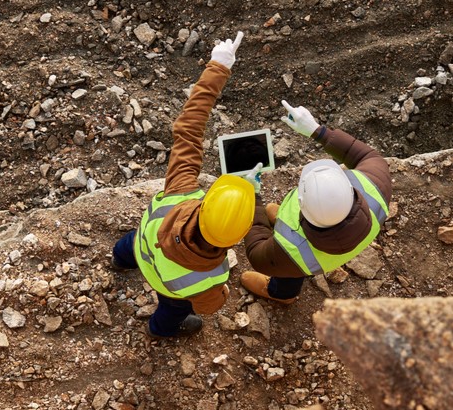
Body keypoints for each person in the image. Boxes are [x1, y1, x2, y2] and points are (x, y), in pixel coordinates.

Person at [111, 32, 261, 338]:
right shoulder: (212, 276)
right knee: (174, 311)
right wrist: (223, 296)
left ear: (207, 201)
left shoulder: (181, 191)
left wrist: (218, 66)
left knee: (128, 246)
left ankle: (119, 260)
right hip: (168, 288)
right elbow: (208, 306)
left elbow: (189, 126)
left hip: (142, 246)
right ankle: (160, 330)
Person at [241, 100, 393, 303]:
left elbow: (256, 251)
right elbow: (366, 155)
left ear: (301, 205)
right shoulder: (376, 191)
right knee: (293, 261)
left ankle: (283, 294)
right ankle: (281, 225)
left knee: (289, 273)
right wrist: (317, 131)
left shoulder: (291, 251)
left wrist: (253, 198)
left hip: (299, 259)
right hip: (342, 241)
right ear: (349, 188)